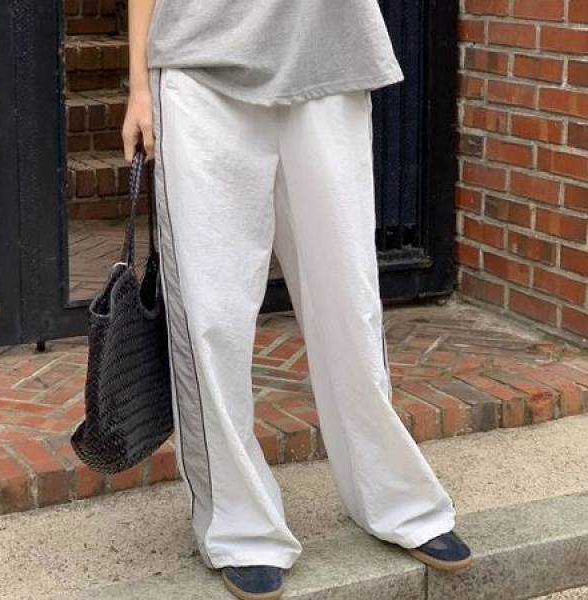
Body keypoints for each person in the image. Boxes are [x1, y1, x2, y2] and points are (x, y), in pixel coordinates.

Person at [122, 1, 472, 598]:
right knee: (212, 316)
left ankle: (395, 500)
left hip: (329, 60)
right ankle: (240, 528)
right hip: (199, 65)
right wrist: (137, 85)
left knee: (349, 304)